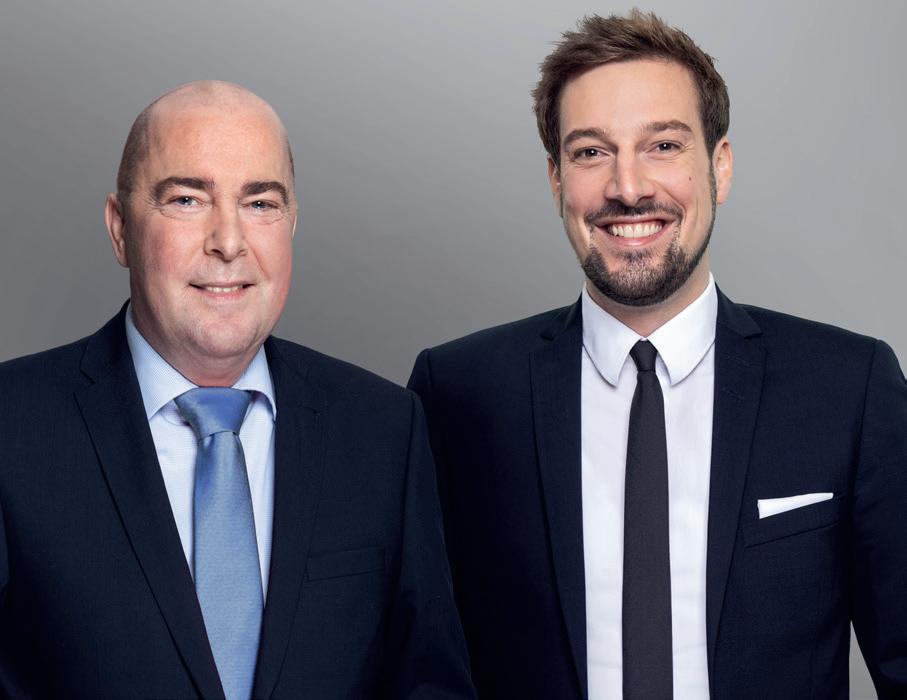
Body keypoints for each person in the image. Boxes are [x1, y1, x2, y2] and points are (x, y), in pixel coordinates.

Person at [408, 10, 907, 700]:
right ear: (556, 180)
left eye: (663, 145)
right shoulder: (458, 394)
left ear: (719, 167)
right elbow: (421, 665)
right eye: (591, 152)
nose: (628, 187)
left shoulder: (849, 387)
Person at [0, 81, 474, 699]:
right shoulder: (13, 426)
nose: (228, 241)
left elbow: (429, 684)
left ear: (292, 222)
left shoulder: (384, 429)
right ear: (120, 229)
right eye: (187, 199)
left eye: (260, 203)